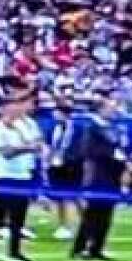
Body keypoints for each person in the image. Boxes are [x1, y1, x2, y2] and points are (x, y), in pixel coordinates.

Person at [0, 95, 43, 261]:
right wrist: (28, 148)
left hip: (22, 176)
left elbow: (36, 144)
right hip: (2, 176)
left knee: (19, 216)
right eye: (13, 106)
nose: (17, 109)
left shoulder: (22, 127)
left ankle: (15, 251)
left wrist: (30, 147)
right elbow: (7, 152)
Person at [70, 97, 129, 261]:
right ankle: (80, 248)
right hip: (98, 175)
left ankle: (97, 248)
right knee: (93, 213)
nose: (113, 110)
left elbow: (119, 147)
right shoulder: (92, 128)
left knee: (106, 214)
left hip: (112, 175)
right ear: (101, 109)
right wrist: (111, 154)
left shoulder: (113, 128)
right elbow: (87, 151)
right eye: (110, 107)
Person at [45, 102, 80, 241]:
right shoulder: (54, 128)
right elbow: (50, 145)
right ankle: (63, 226)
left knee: (77, 197)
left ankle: (86, 224)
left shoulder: (77, 128)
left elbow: (79, 147)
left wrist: (69, 159)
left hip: (72, 166)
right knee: (59, 197)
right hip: (55, 166)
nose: (54, 115)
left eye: (57, 112)